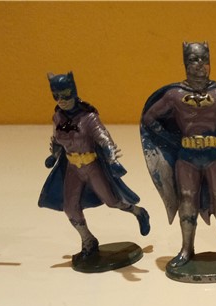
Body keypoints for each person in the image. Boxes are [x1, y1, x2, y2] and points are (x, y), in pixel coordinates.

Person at [140, 42, 216, 269]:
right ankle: (186, 249)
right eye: (194, 59)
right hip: (187, 158)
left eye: (204, 59)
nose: (200, 64)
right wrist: (172, 139)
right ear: (185, 63)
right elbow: (149, 118)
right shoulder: (174, 95)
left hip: (215, 156)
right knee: (186, 200)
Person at [39, 72, 150, 261]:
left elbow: (104, 139)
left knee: (112, 201)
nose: (61, 100)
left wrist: (113, 160)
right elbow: (57, 140)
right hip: (73, 168)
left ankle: (138, 212)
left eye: (65, 94)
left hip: (92, 166)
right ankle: (88, 241)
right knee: (70, 207)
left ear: (73, 92)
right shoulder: (57, 117)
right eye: (56, 95)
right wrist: (53, 155)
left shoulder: (88, 117)